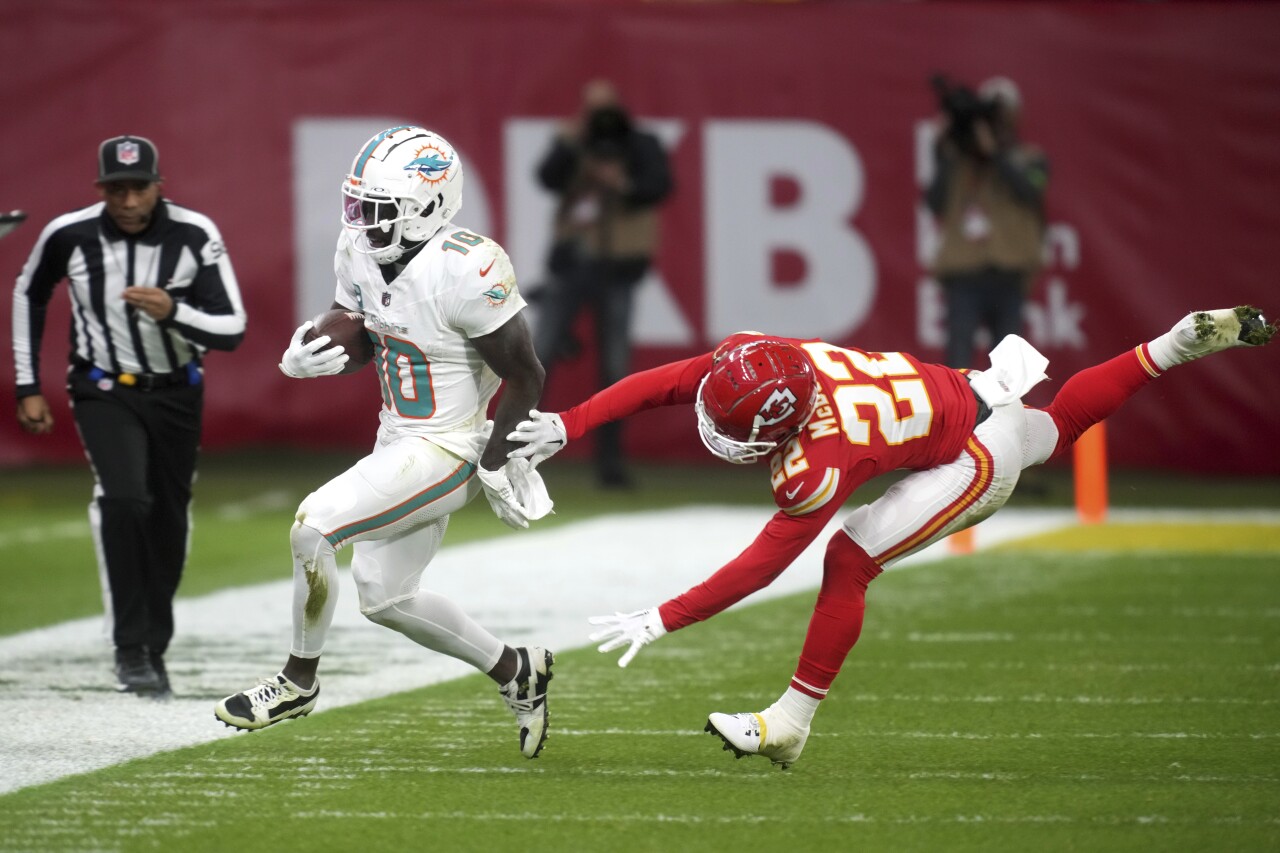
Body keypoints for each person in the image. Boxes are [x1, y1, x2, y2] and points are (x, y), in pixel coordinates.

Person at [509, 306, 1274, 768]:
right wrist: (572, 423)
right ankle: (1171, 345)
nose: (708, 421)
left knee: (847, 558)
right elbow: (679, 379)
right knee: (1060, 426)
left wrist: (663, 614)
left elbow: (764, 565)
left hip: (974, 456)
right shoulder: (778, 359)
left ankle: (790, 724)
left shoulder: (818, 460)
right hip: (976, 393)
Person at [214, 126, 557, 760]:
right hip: (397, 439)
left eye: (378, 210)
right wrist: (315, 358)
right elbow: (368, 330)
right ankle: (517, 670)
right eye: (358, 206)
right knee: (387, 597)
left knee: (313, 527)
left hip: (450, 447)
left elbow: (526, 371)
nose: (362, 223)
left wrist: (497, 458)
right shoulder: (360, 249)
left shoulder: (467, 266)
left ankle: (297, 682)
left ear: (428, 205)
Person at [12, 135, 247, 697]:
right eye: (115, 189)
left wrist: (175, 312)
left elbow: (232, 328)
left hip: (176, 392)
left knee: (167, 519)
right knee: (123, 499)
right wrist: (27, 384)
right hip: (101, 387)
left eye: (138, 187)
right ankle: (129, 647)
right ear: (101, 189)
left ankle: (152, 648)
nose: (127, 200)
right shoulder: (69, 233)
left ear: (158, 186)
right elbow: (29, 293)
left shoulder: (194, 234)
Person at [533, 78, 673, 488]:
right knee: (538, 358)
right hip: (574, 262)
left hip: (619, 266)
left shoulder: (641, 143)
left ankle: (609, 463)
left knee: (615, 368)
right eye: (595, 113)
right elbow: (548, 178)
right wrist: (574, 144)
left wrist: (621, 181)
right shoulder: (572, 141)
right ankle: (510, 455)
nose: (603, 123)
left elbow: (659, 186)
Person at [925, 75, 1049, 370]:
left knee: (1008, 366)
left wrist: (995, 152)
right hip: (964, 273)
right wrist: (942, 149)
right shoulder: (959, 161)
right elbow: (934, 202)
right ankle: (960, 416)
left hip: (1008, 273)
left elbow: (1030, 190)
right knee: (958, 362)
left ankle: (1008, 416)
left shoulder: (1032, 159)